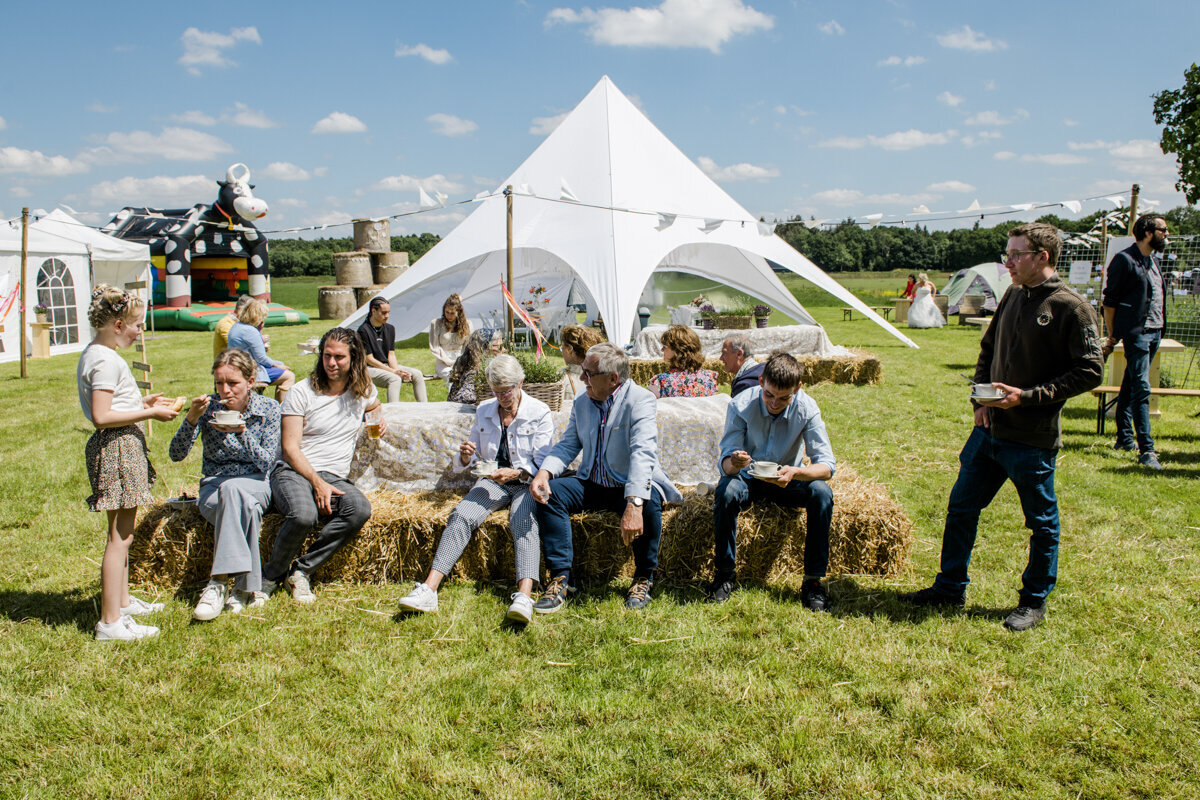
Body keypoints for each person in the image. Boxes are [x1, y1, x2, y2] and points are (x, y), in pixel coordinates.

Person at [900, 222, 1104, 632]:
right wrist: (980, 400)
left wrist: (1026, 397)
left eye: (1015, 255)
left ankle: (1033, 601)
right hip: (989, 431)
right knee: (961, 508)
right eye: (1007, 254)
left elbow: (1091, 370)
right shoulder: (1012, 293)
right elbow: (989, 348)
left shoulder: (1071, 306)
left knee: (1041, 522)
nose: (1007, 263)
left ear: (1042, 257)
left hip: (1032, 438)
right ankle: (949, 588)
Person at [397, 355, 555, 624]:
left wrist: (517, 472)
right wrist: (466, 456)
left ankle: (524, 596)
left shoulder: (539, 411)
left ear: (521, 383)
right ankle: (429, 589)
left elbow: (545, 461)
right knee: (462, 514)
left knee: (523, 521)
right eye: (496, 391)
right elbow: (470, 460)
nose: (503, 397)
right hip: (493, 481)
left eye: (507, 390)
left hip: (526, 482)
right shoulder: (484, 410)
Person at [529, 343, 682, 613]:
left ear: (613, 379)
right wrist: (545, 472)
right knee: (550, 495)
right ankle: (562, 577)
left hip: (627, 483)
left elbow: (642, 453)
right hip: (593, 482)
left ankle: (644, 577)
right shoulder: (581, 402)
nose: (581, 378)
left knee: (649, 502)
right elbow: (568, 444)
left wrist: (633, 503)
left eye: (588, 373)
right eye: (582, 371)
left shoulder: (640, 400)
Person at [77, 285, 179, 641]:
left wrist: (141, 398)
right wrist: (151, 410)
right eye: (136, 324)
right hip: (118, 446)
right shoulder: (105, 359)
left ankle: (120, 603)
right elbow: (102, 415)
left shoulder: (97, 353)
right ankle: (110, 623)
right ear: (118, 324)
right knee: (120, 538)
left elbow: (112, 403)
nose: (139, 331)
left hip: (120, 444)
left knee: (120, 533)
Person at [262, 328, 381, 604]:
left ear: (354, 359)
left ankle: (301, 571)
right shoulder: (301, 392)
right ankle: (269, 575)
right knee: (304, 515)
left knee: (359, 509)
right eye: (327, 355)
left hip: (334, 475)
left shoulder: (362, 391)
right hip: (293, 470)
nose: (331, 363)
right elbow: (290, 448)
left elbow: (374, 404)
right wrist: (316, 482)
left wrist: (378, 414)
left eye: (339, 357)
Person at [710, 353, 836, 610]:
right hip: (748, 478)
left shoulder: (807, 408)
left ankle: (813, 581)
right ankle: (724, 574)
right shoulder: (740, 404)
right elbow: (725, 466)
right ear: (760, 381)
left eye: (784, 398)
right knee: (726, 490)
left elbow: (826, 467)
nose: (774, 403)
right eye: (768, 395)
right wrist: (735, 461)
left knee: (822, 493)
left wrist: (796, 473)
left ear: (797, 389)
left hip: (788, 479)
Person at [169, 348, 281, 620]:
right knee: (245, 508)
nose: (225, 390)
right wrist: (192, 418)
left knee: (236, 491)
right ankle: (245, 588)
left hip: (256, 483)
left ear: (250, 381)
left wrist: (242, 434)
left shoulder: (269, 409)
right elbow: (176, 454)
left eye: (233, 383)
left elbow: (267, 463)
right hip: (213, 489)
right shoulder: (209, 408)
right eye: (219, 383)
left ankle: (217, 583)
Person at [1102, 213, 1170, 470]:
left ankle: (1124, 439)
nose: (1166, 235)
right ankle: (1147, 450)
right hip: (1137, 333)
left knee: (1131, 384)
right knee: (1142, 389)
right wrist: (1112, 334)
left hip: (1155, 331)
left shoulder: (1153, 260)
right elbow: (1109, 302)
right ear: (1147, 232)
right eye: (1163, 230)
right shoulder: (1125, 260)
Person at [357, 297, 428, 403]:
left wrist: (398, 371)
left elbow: (391, 354)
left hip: (387, 366)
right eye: (384, 313)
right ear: (373, 311)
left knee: (417, 374)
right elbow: (369, 359)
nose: (387, 316)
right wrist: (394, 372)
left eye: (388, 312)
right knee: (395, 379)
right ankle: (393, 410)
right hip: (369, 368)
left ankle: (425, 408)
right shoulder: (363, 330)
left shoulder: (390, 329)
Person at [227, 298, 295, 402]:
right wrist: (278, 366)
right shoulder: (250, 331)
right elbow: (261, 358)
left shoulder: (237, 326)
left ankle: (278, 404)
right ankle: (283, 410)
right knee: (289, 376)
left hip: (237, 366)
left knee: (280, 364)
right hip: (250, 370)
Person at [649, 324, 718, 398]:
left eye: (665, 347)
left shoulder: (661, 382)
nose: (662, 350)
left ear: (677, 350)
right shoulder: (709, 378)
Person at [447, 328, 502, 404]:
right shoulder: (475, 372)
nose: (503, 350)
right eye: (499, 347)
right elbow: (462, 398)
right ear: (484, 348)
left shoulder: (470, 364)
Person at [429, 293, 472, 380]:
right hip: (443, 362)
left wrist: (460, 362)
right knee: (452, 378)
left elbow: (467, 346)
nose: (449, 315)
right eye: (447, 312)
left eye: (452, 313)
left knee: (466, 379)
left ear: (459, 313)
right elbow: (435, 347)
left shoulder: (467, 324)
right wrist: (448, 361)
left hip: (461, 361)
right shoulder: (436, 323)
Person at [559, 324, 605, 397]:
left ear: (569, 349)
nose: (562, 352)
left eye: (562, 347)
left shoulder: (560, 378)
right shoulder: (605, 376)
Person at [719, 334, 765, 398]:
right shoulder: (765, 371)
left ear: (739, 354)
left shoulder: (744, 386)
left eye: (724, 353)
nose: (721, 358)